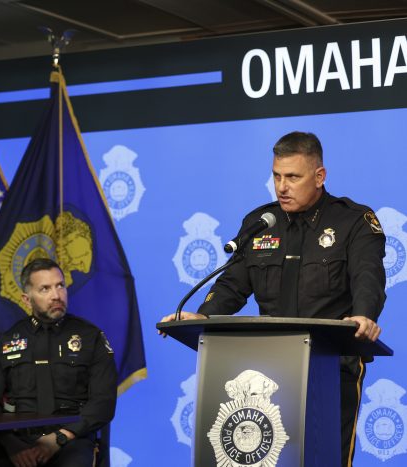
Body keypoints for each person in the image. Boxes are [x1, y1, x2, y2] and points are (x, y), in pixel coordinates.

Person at [162, 131, 386, 467]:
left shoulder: (353, 220)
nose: (282, 187)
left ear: (320, 176)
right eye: (277, 176)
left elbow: (368, 276)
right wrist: (204, 315)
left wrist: (365, 315)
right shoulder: (260, 223)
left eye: (293, 177)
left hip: (331, 365)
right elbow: (232, 284)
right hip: (267, 368)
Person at [0, 258, 117, 467]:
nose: (56, 295)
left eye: (60, 286)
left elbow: (104, 402)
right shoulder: (6, 341)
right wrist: (11, 443)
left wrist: (61, 437)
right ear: (26, 299)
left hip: (71, 437)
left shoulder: (91, 337)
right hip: (15, 438)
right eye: (45, 289)